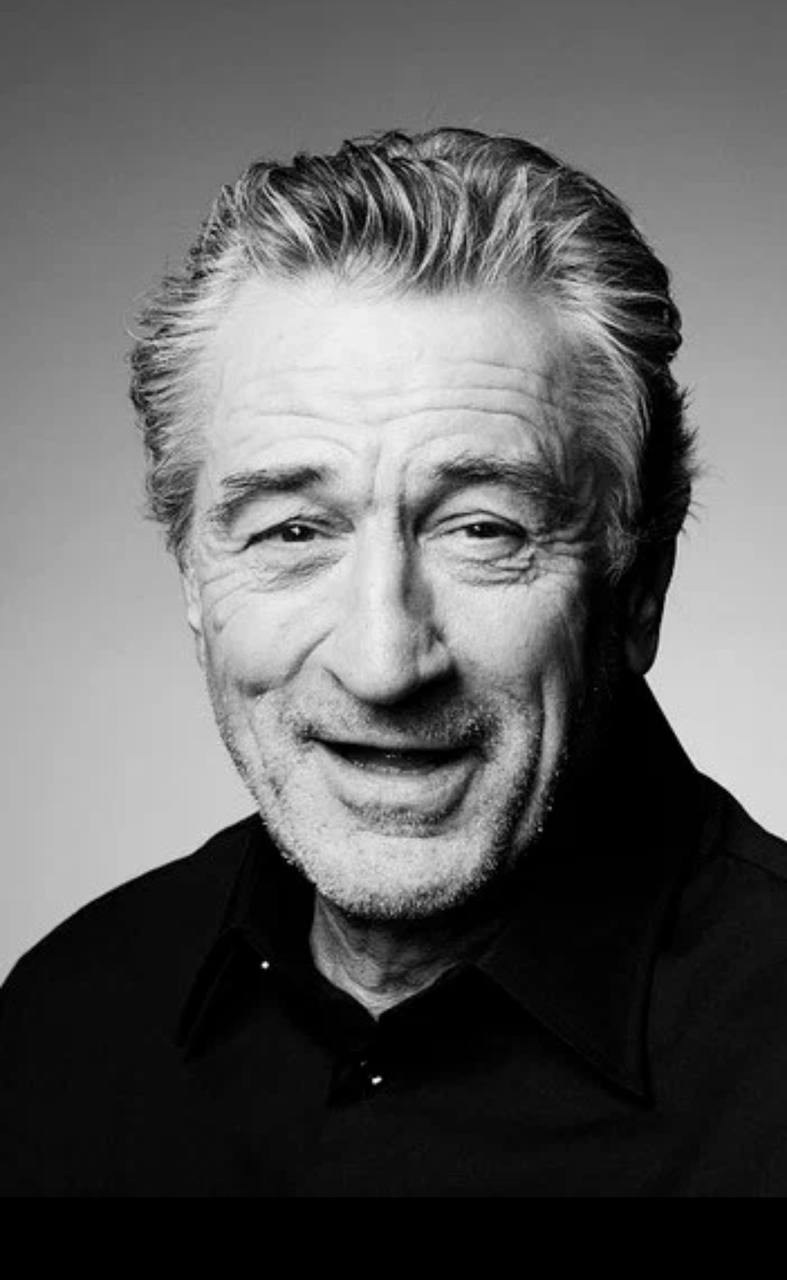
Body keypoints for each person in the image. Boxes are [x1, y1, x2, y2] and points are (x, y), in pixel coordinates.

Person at [2, 128, 786, 1198]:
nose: (382, 664)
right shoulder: (67, 1015)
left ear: (637, 587)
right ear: (192, 576)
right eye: (291, 531)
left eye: (482, 529)